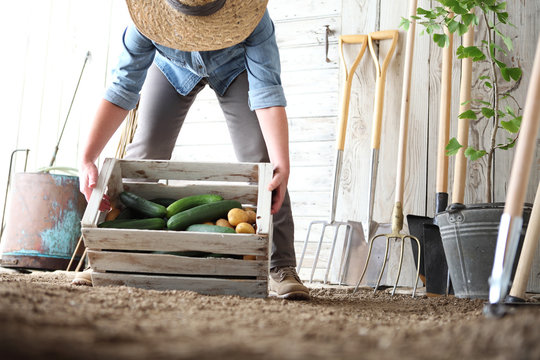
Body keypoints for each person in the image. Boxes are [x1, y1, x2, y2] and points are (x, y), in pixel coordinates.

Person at [74, 0, 310, 300]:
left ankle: (282, 266)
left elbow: (267, 94)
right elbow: (122, 89)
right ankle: (115, 256)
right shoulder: (145, 21)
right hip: (171, 67)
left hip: (234, 66)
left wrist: (282, 164)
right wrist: (87, 157)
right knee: (146, 152)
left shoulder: (253, 20)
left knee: (261, 159)